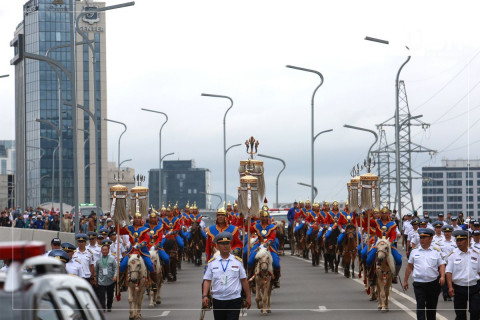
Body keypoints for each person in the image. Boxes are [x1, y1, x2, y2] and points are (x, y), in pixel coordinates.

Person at [202, 232, 251, 320]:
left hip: (234, 299)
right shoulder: (212, 263)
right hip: (218, 300)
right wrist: (205, 296)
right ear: (217, 246)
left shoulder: (238, 262)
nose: (225, 246)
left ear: (230, 245)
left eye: (227, 243)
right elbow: (207, 280)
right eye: (222, 244)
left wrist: (248, 296)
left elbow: (244, 280)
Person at [403, 228, 445, 320]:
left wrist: (442, 276)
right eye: (421, 237)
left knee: (431, 307)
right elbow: (409, 266)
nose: (422, 240)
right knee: (420, 306)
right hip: (419, 283)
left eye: (424, 237)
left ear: (430, 238)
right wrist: (405, 280)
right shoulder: (414, 251)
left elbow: (441, 265)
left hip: (433, 283)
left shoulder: (436, 251)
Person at [446, 230, 480, 320]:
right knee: (460, 314)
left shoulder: (476, 254)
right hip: (459, 288)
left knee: (476, 311)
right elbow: (449, 272)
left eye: (461, 240)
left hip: (474, 287)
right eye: (457, 240)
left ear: (468, 240)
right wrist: (450, 287)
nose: (459, 243)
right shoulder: (453, 255)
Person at [95, 242, 117, 312]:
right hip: (101, 281)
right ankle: (103, 308)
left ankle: (109, 306)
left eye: (106, 250)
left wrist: (115, 276)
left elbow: (115, 268)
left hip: (110, 280)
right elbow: (96, 271)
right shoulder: (98, 261)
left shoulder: (112, 259)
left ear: (108, 251)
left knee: (110, 295)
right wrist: (96, 279)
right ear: (101, 251)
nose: (104, 251)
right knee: (102, 296)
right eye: (103, 250)